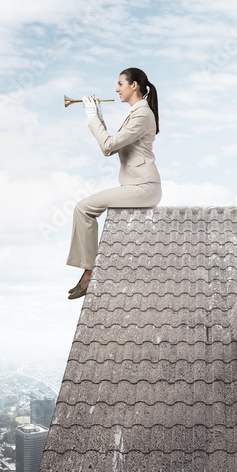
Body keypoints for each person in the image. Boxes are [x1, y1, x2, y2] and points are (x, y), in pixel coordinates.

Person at [67, 68, 162, 299]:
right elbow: (112, 148)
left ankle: (89, 273)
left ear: (134, 86)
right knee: (84, 208)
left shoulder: (142, 115)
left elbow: (108, 145)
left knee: (83, 208)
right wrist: (99, 119)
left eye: (120, 84)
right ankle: (89, 271)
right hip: (136, 186)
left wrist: (91, 119)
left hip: (144, 187)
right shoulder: (136, 113)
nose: (116, 89)